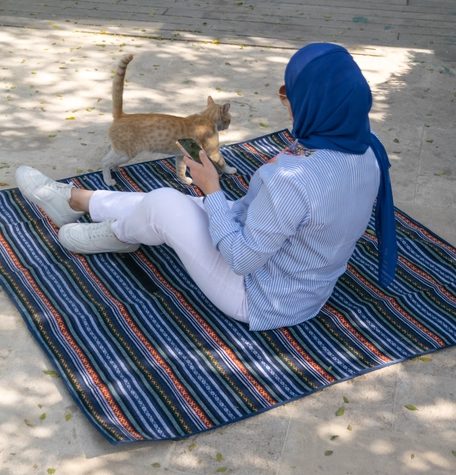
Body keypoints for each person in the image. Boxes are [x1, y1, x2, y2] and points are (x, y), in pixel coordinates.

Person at [15, 43, 398, 331]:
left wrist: (212, 190)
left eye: (289, 94)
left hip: (263, 297)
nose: (286, 104)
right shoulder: (366, 147)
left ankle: (115, 232)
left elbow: (241, 260)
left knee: (168, 202)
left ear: (314, 104)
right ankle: (77, 200)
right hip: (304, 283)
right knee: (178, 205)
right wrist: (213, 200)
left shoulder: (293, 181)